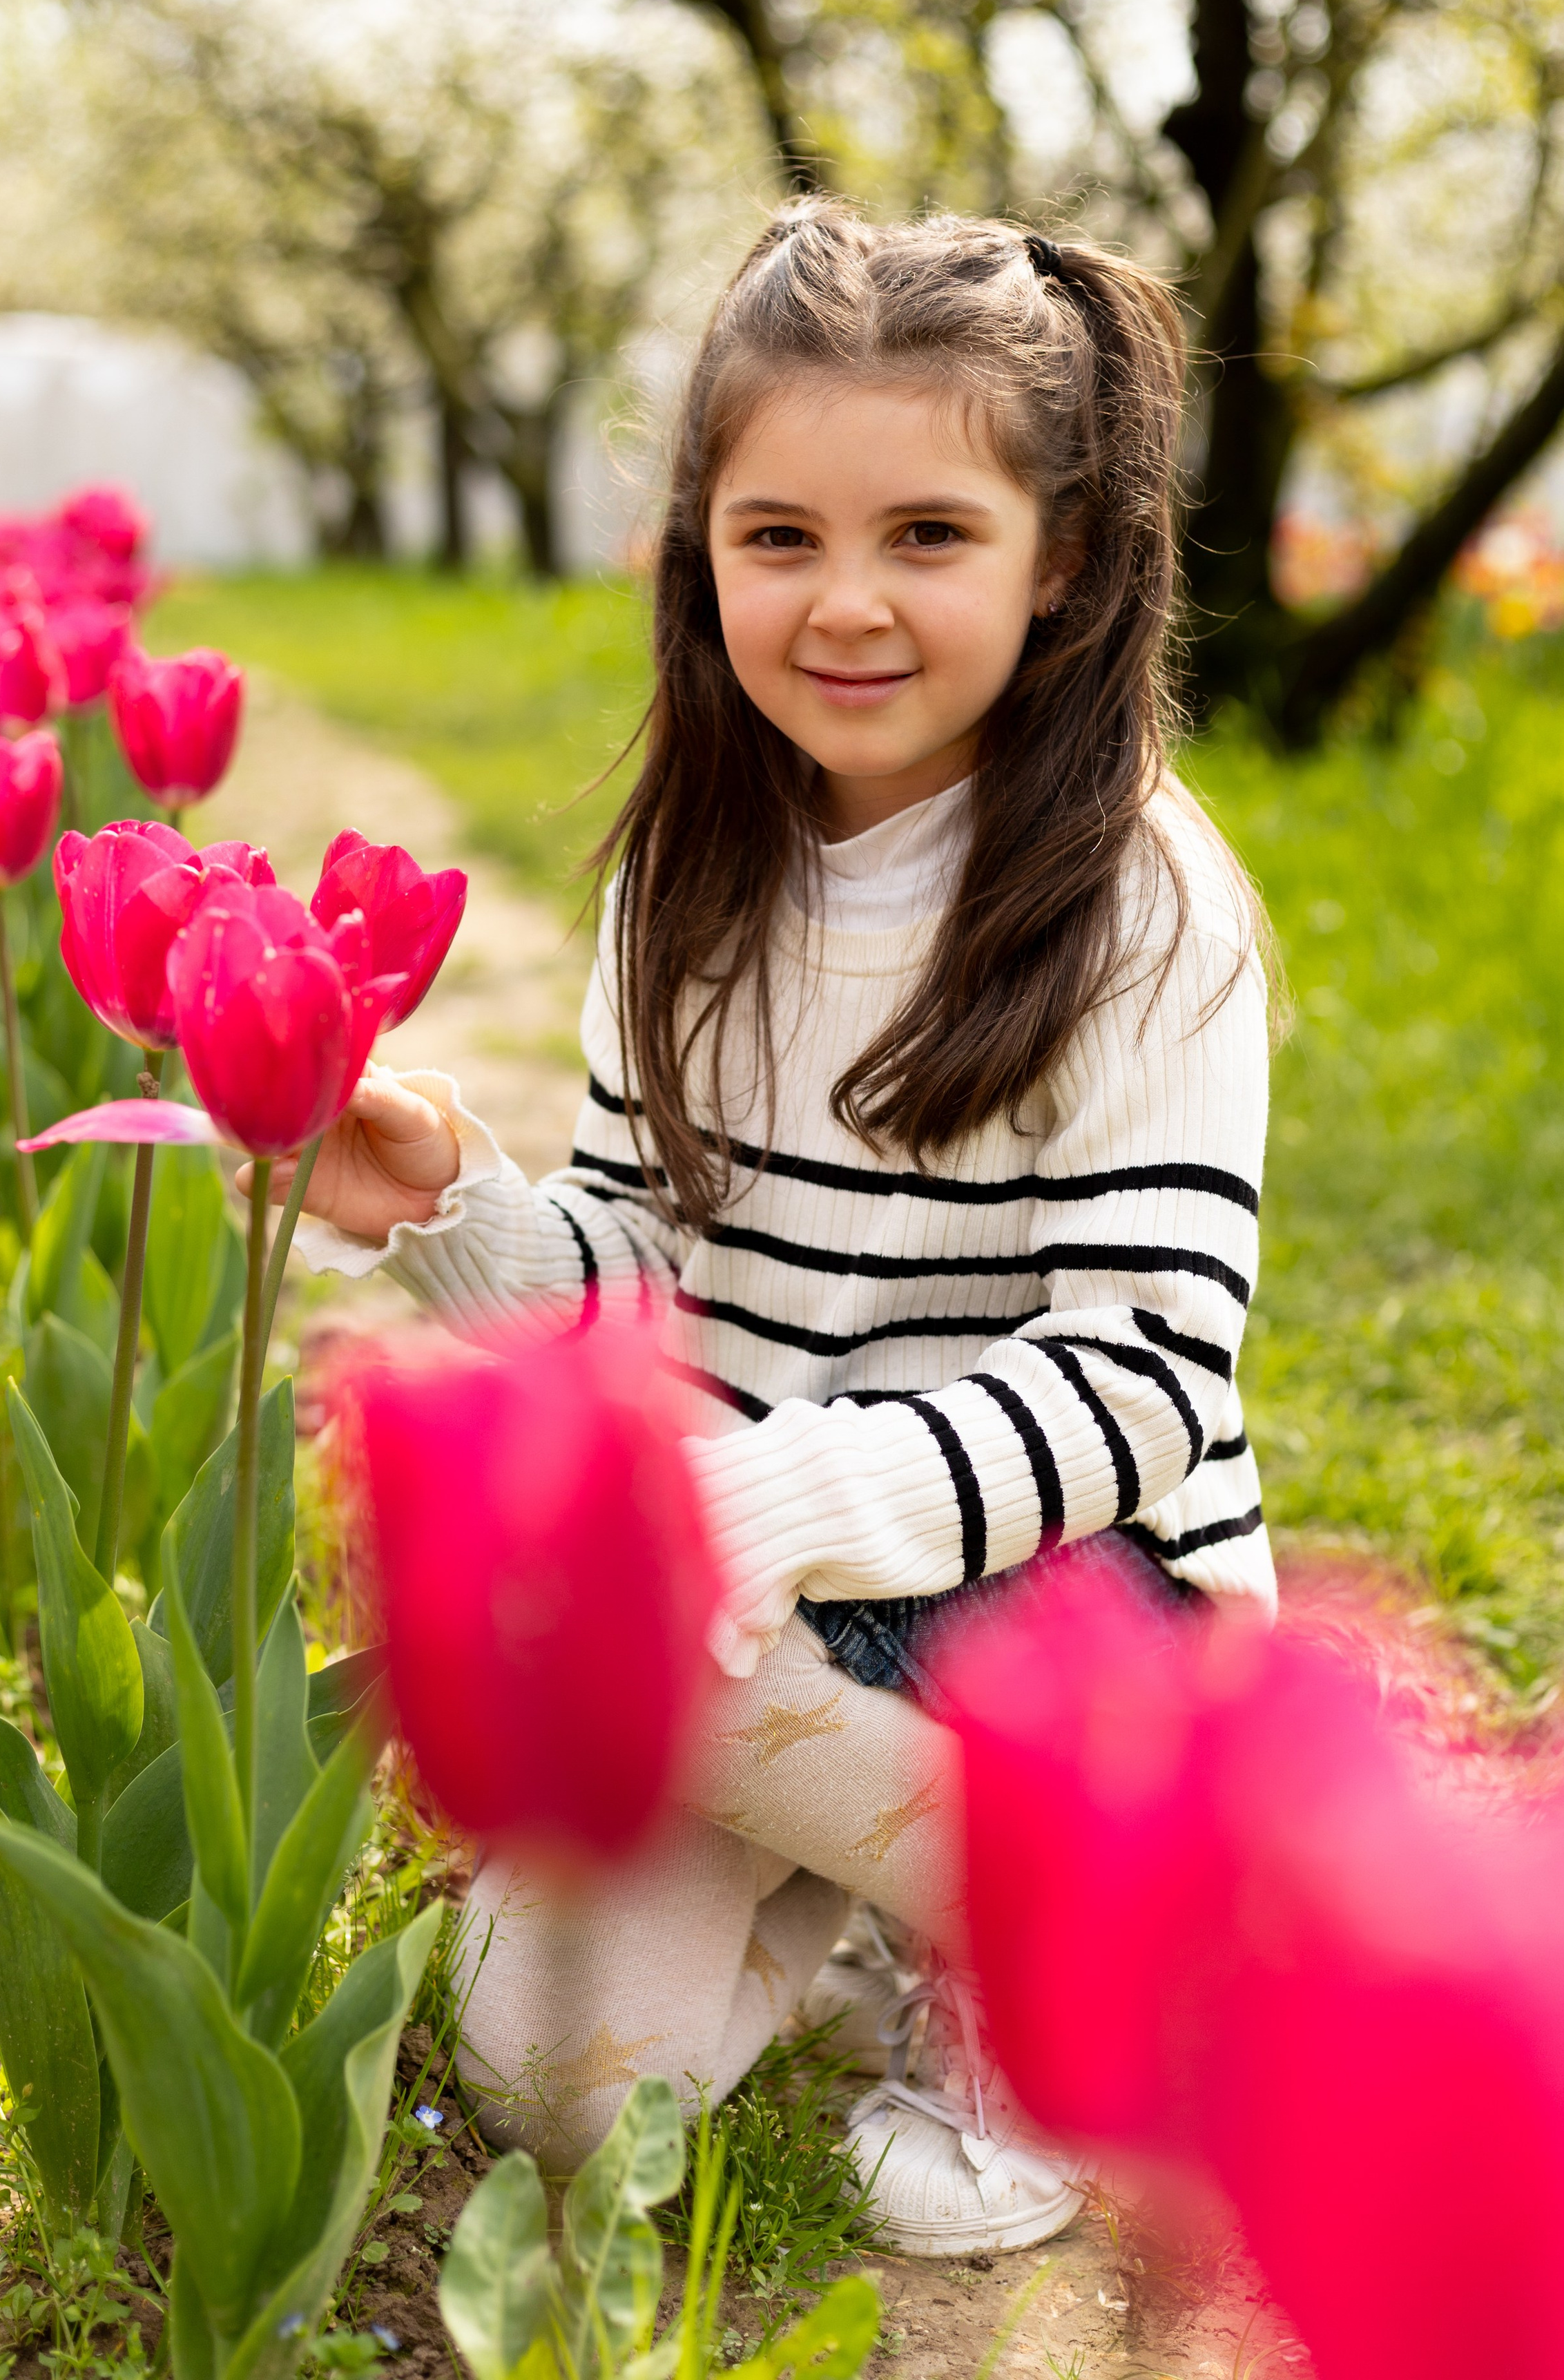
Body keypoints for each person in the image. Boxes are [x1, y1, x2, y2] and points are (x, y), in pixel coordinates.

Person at [282, 202, 1275, 2253]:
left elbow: (1146, 1383)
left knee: (600, 1621)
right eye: (779, 537)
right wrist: (459, 1204)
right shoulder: (692, 883)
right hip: (769, 1581)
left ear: (1063, 559)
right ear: (701, 548)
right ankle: (870, 1870)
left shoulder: (1137, 906)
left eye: (929, 535)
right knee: (551, 2074)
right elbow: (657, 1275)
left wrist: (776, 1504)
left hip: (1069, 1615)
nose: (846, 604)